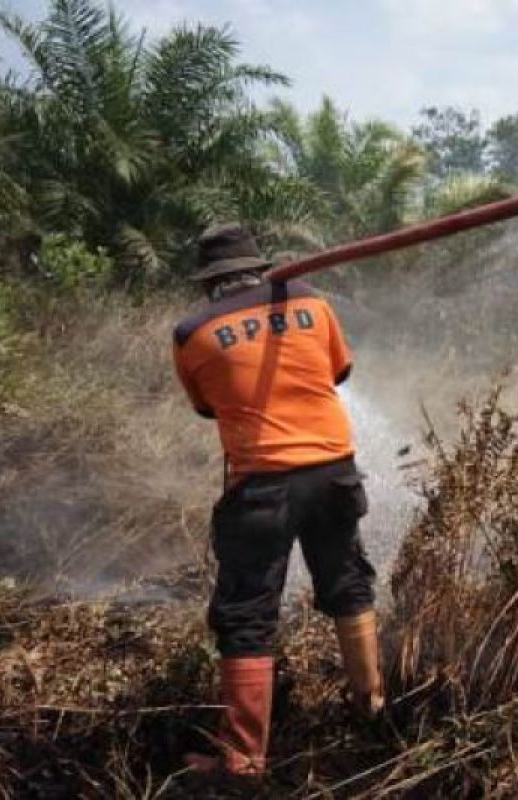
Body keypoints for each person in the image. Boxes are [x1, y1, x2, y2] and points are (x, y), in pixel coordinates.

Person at [173, 222, 383, 777]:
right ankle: (372, 706)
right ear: (259, 268)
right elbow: (338, 371)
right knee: (348, 585)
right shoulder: (312, 302)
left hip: (263, 485)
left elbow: (207, 408)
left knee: (247, 613)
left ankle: (242, 758)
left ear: (208, 282)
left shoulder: (191, 332)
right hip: (335, 470)